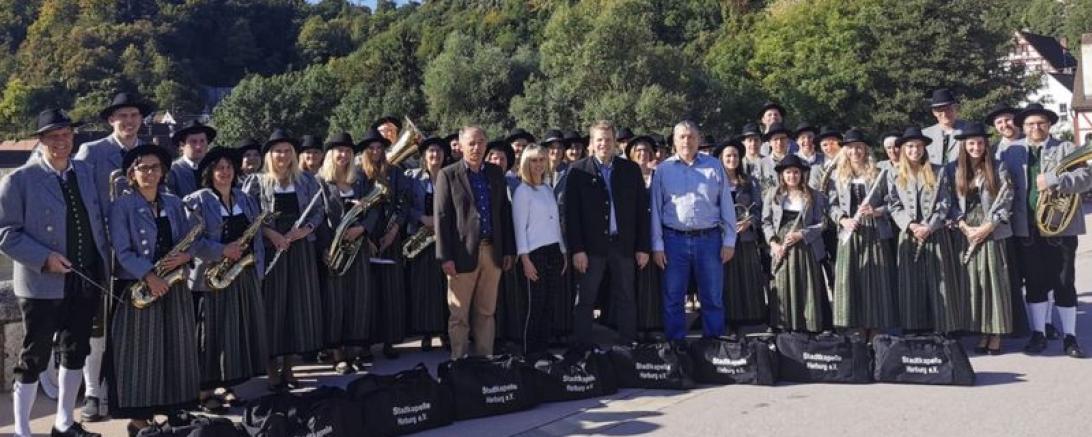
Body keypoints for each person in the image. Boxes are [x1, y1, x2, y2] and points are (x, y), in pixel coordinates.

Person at [1, 109, 109, 437]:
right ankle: (22, 430)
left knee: (75, 349)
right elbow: (5, 232)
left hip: (84, 276)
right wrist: (44, 258)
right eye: (53, 137)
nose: (61, 142)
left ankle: (64, 423)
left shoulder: (87, 172)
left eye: (66, 135)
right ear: (41, 140)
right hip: (40, 282)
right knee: (34, 356)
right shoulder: (19, 180)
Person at [107, 144, 200, 436]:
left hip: (173, 284)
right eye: (142, 167)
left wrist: (187, 256)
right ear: (132, 174)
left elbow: (189, 241)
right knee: (139, 355)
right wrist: (149, 275)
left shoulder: (174, 202)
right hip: (139, 288)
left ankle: (172, 408)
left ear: (163, 172)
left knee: (175, 347)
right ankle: (139, 419)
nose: (149, 172)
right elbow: (121, 251)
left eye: (155, 167)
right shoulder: (121, 206)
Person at [73, 92, 152, 422]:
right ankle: (92, 392)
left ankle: (132, 388)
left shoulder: (148, 153)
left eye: (134, 116)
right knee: (98, 327)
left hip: (140, 254)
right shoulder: (92, 152)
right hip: (103, 251)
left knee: (134, 324)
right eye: (123, 117)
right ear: (111, 121)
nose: (130, 122)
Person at [183, 146, 267, 412]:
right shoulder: (196, 200)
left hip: (241, 275)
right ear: (210, 172)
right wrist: (222, 251)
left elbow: (257, 237)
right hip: (210, 278)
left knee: (235, 331)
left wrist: (257, 267)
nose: (225, 172)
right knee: (210, 334)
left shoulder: (245, 198)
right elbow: (191, 243)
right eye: (219, 167)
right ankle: (204, 391)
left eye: (229, 167)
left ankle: (227, 385)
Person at [242, 128, 325, 390]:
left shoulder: (306, 181)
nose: (282, 155)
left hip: (299, 249)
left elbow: (318, 211)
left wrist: (304, 230)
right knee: (273, 309)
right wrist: (271, 234)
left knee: (296, 308)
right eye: (277, 150)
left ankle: (290, 368)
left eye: (287, 150)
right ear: (269, 155)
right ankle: (271, 370)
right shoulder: (256, 182)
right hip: (271, 249)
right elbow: (250, 215)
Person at [1006, 104, 1090, 357]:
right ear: (1023, 127)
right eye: (1030, 124)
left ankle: (1070, 337)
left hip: (1061, 228)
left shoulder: (1066, 148)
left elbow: (1087, 178)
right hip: (1027, 227)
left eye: (1040, 123)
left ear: (1049, 125)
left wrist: (1054, 180)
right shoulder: (1012, 152)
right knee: (1034, 283)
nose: (1036, 128)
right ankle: (1038, 333)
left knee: (1064, 282)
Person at [434, 125, 515, 359]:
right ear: (460, 145)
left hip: (492, 251)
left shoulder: (495, 173)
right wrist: (445, 257)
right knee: (459, 315)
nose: (476, 147)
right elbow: (441, 218)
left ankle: (484, 362)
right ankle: (458, 363)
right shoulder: (448, 174)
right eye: (471, 143)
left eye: (480, 142)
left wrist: (508, 250)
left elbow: (503, 212)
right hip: (460, 254)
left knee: (486, 312)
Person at [651, 121, 735, 344]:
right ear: (674, 141)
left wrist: (729, 240)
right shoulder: (663, 170)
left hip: (709, 240)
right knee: (673, 298)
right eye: (681, 137)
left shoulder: (714, 166)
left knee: (712, 297)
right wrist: (657, 245)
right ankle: (676, 346)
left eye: (691, 136)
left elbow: (726, 203)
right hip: (673, 241)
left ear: (698, 140)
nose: (686, 141)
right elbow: (656, 211)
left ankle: (714, 346)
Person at [567, 121, 651, 345]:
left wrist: (643, 247)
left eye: (608, 139)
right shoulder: (577, 171)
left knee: (626, 297)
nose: (604, 144)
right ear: (591, 144)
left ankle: (628, 347)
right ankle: (583, 349)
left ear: (615, 142)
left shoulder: (630, 170)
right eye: (599, 140)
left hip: (622, 244)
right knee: (585, 299)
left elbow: (642, 211)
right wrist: (578, 250)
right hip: (591, 248)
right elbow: (571, 215)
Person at [887, 127, 966, 335]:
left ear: (924, 148)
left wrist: (930, 226)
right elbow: (894, 205)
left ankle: (942, 326)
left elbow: (945, 202)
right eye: (910, 146)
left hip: (935, 232)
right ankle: (914, 326)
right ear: (903, 149)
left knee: (938, 278)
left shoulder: (938, 171)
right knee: (911, 281)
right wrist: (911, 225)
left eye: (919, 146)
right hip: (910, 233)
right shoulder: (894, 174)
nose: (915, 150)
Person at [951, 123, 1014, 354]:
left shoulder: (999, 167)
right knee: (973, 283)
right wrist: (963, 225)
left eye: (979, 143)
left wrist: (987, 227)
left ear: (986, 144)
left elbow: (1006, 201)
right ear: (964, 146)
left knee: (993, 283)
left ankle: (995, 333)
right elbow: (948, 203)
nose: (976, 147)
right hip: (966, 232)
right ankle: (981, 331)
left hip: (991, 231)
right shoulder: (954, 169)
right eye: (971, 144)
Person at [313, 132, 374, 373]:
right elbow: (317, 217)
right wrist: (325, 247)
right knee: (335, 301)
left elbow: (376, 210)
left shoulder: (360, 180)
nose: (344, 154)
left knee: (358, 298)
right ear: (330, 154)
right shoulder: (319, 182)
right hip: (334, 249)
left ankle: (355, 350)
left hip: (357, 249)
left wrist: (363, 228)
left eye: (348, 151)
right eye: (339, 150)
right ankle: (338, 354)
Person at [827, 132, 897, 338]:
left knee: (875, 281)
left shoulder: (879, 173)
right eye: (850, 147)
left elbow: (893, 202)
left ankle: (875, 327)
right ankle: (856, 327)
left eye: (859, 147)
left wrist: (877, 212)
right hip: (850, 232)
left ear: (866, 149)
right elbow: (831, 205)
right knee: (852, 280)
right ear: (845, 151)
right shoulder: (837, 176)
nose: (855, 151)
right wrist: (842, 219)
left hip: (875, 232)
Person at [358, 129, 418, 359]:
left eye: (379, 148)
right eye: (371, 148)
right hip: (366, 237)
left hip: (390, 235)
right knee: (368, 292)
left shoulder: (394, 173)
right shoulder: (359, 175)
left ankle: (390, 342)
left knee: (392, 290)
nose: (375, 151)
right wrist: (367, 235)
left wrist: (394, 230)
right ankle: (365, 343)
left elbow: (404, 201)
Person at [762, 154, 828, 332]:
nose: (792, 176)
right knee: (782, 284)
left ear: (802, 174)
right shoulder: (773, 194)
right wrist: (773, 244)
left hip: (805, 246)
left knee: (806, 285)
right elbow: (766, 222)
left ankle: (809, 326)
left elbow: (823, 223)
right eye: (788, 172)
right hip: (782, 247)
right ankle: (784, 327)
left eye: (796, 172)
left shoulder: (813, 195)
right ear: (782, 175)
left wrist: (802, 234)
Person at [513, 145, 568, 354]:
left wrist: (562, 251)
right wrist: (525, 260)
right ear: (526, 163)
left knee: (548, 306)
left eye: (541, 160)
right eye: (534, 160)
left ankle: (543, 352)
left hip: (553, 251)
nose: (538, 165)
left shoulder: (546, 189)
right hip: (534, 254)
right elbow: (520, 229)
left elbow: (554, 223)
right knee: (534, 308)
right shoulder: (522, 192)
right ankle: (530, 354)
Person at [715, 138, 767, 334]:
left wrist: (749, 222)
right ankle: (729, 318)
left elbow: (759, 208)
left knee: (747, 276)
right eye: (728, 155)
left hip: (745, 238)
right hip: (722, 238)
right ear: (721, 158)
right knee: (726, 279)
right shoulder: (715, 181)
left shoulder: (750, 181)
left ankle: (751, 317)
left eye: (735, 155)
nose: (732, 159)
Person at [405, 136, 451, 352]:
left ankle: (443, 331)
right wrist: (422, 219)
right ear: (424, 156)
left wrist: (440, 222)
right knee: (423, 288)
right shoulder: (412, 178)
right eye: (431, 151)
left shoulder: (450, 177)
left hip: (444, 237)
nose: (435, 155)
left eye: (439, 151)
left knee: (443, 287)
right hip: (421, 237)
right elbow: (404, 206)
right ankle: (425, 333)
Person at [166, 120, 215, 198]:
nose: (198, 146)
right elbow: (171, 203)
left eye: (202, 141)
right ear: (182, 145)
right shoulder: (173, 172)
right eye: (193, 142)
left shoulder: (214, 168)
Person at [923, 88, 969, 166]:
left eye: (948, 109)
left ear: (955, 108)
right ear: (934, 113)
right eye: (940, 110)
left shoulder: (968, 130)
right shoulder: (925, 135)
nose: (945, 114)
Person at [756, 122, 793, 193]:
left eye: (782, 138)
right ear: (769, 142)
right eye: (775, 139)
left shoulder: (796, 161)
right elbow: (759, 190)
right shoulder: (761, 163)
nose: (779, 142)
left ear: (788, 140)